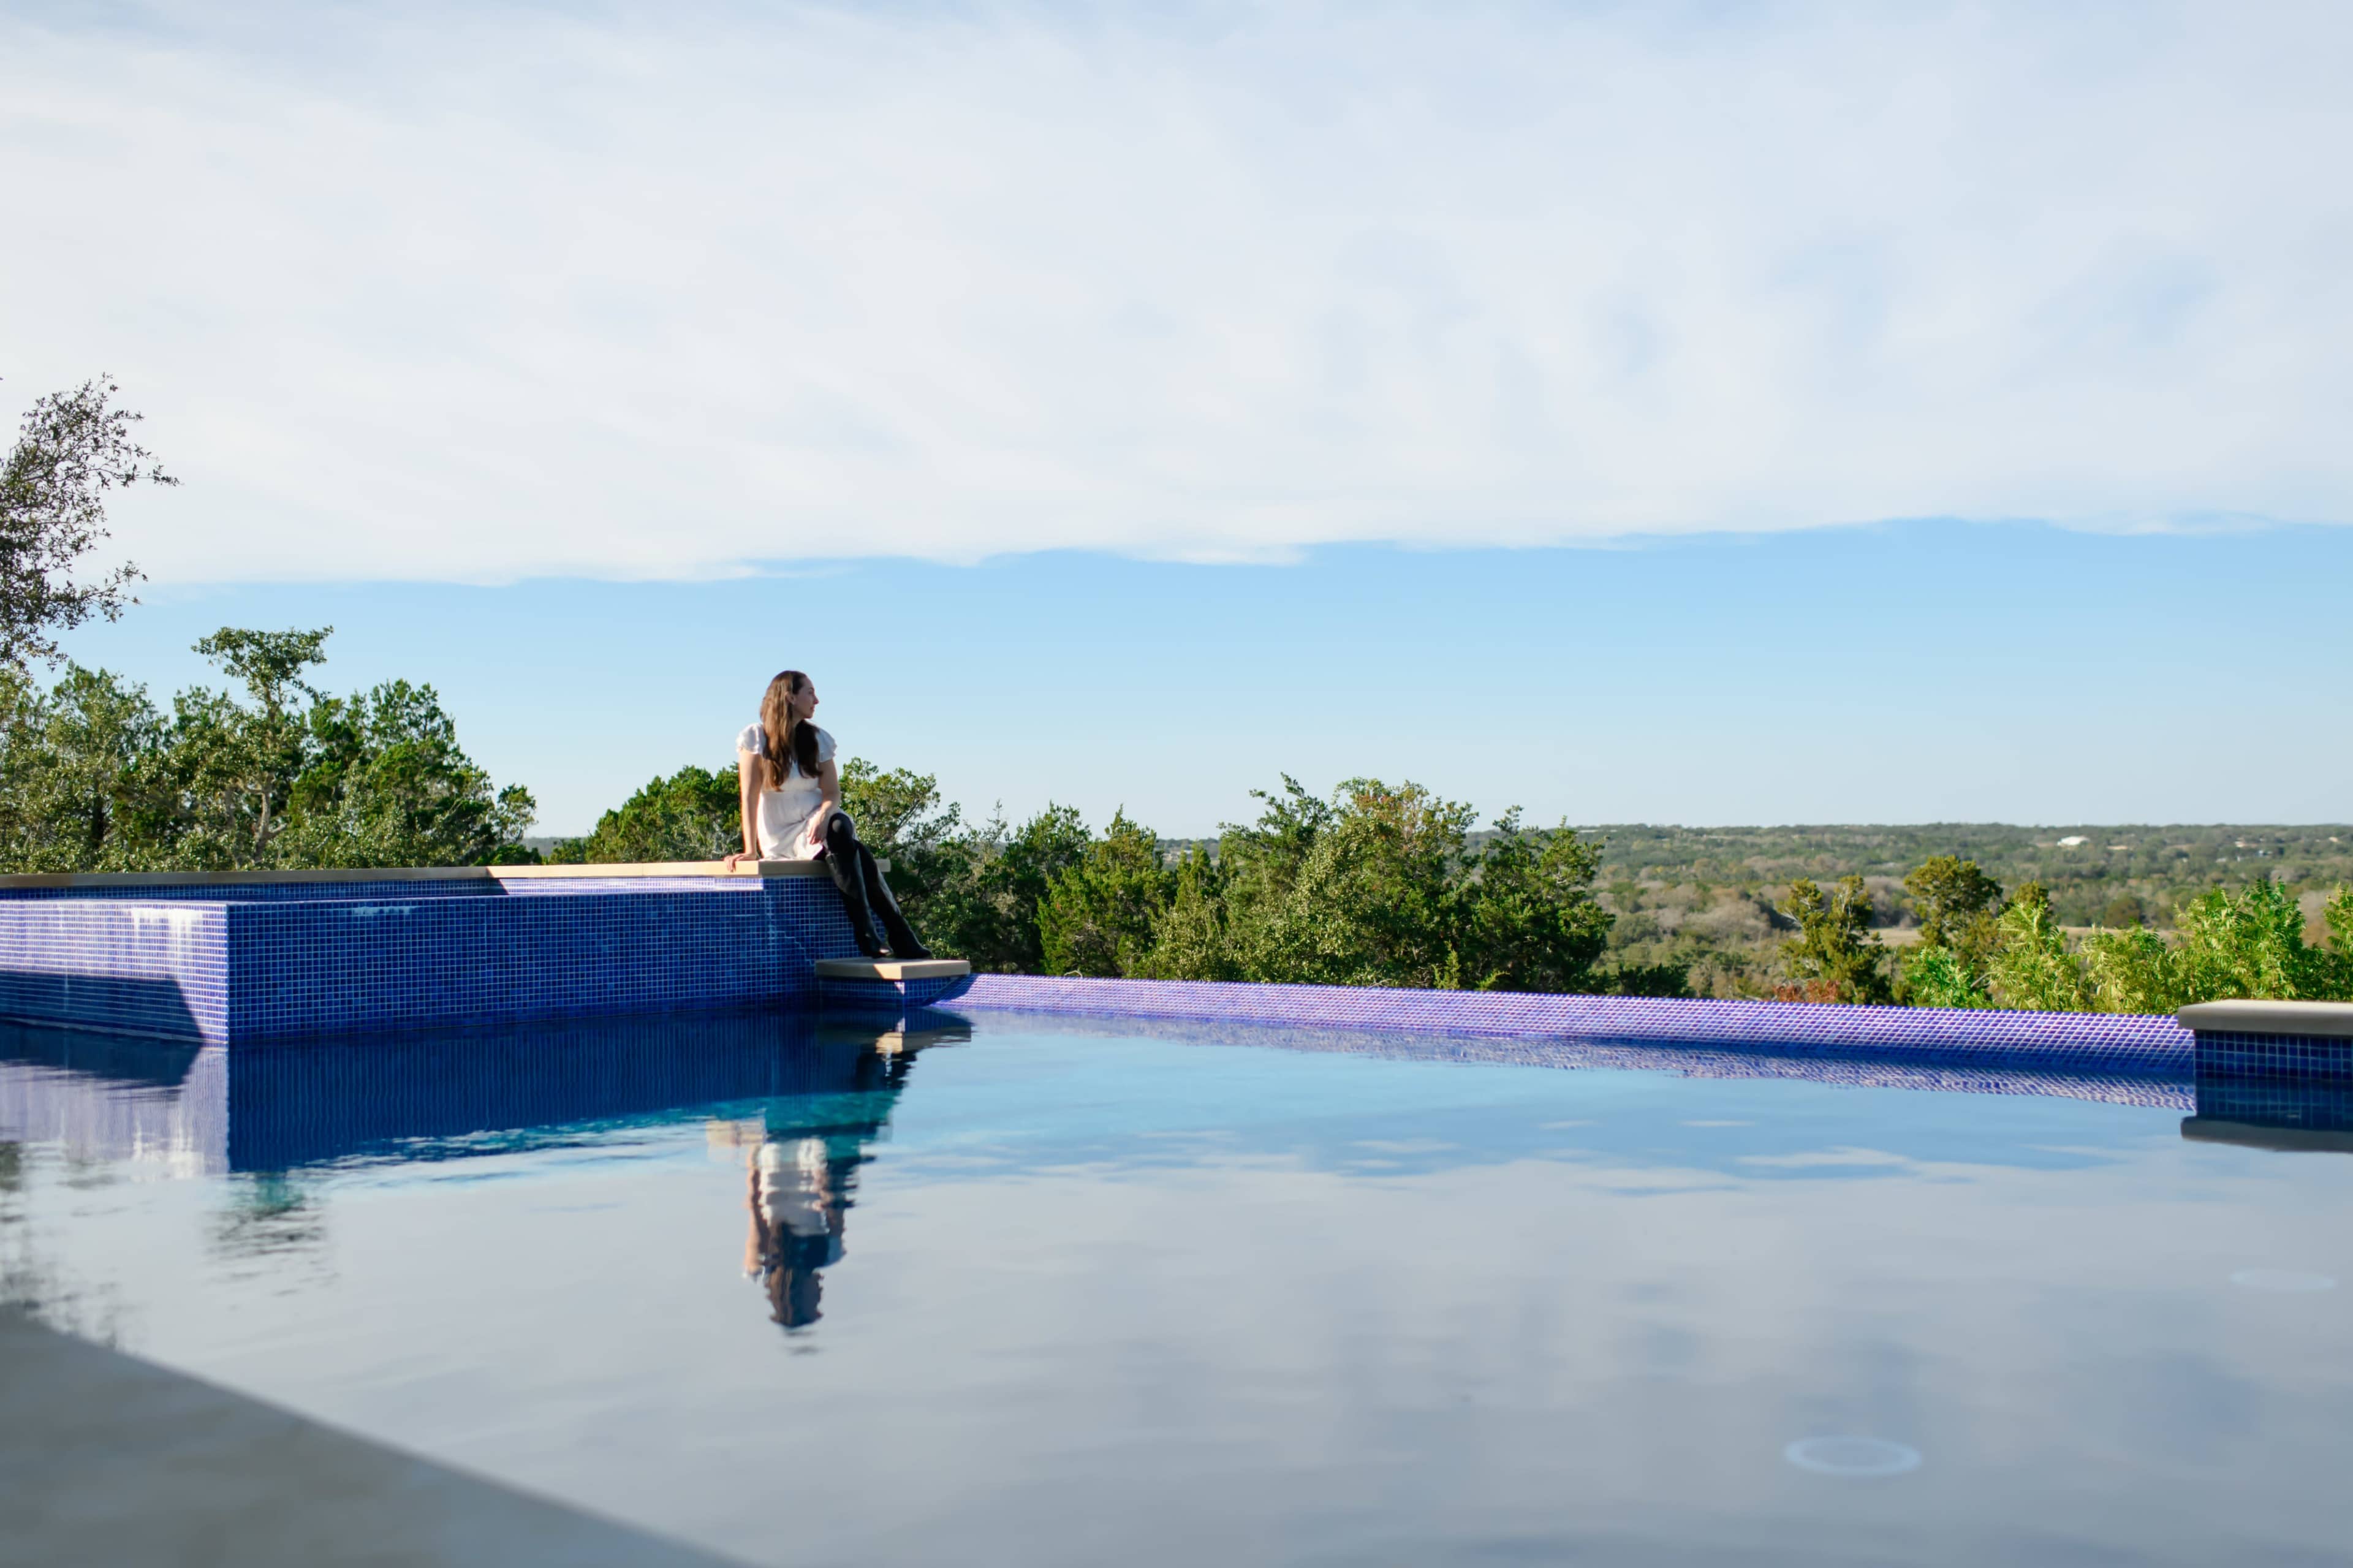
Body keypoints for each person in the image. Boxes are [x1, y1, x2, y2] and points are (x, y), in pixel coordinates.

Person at [723, 669, 930, 961]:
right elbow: (748, 796)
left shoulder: (818, 739)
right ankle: (898, 933)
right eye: (810, 692)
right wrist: (750, 850)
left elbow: (832, 794)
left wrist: (822, 815)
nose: (816, 700)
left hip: (815, 826)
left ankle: (869, 935)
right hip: (780, 835)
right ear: (789, 696)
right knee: (855, 850)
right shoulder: (756, 738)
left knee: (839, 826)